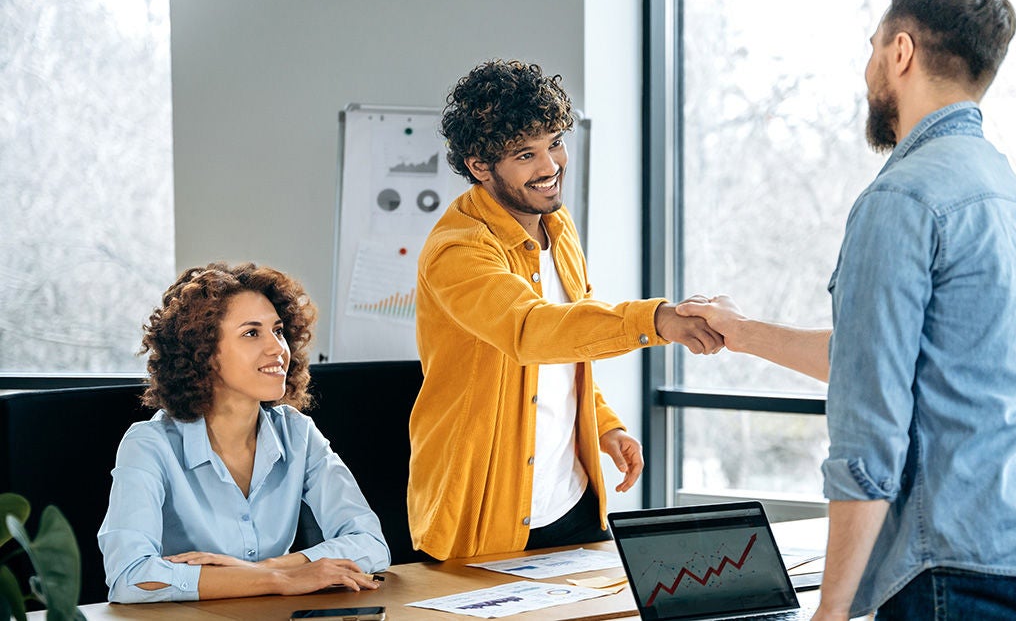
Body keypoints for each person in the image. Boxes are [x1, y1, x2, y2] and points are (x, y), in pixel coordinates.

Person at [678, 0, 1016, 621]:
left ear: (901, 51)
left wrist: (830, 610)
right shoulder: (1012, 197)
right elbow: (891, 357)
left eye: (871, 52)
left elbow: (868, 431)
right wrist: (742, 334)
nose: (867, 74)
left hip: (968, 575)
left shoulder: (900, 199)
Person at [409, 59, 722, 560]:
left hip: (570, 501)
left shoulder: (557, 226)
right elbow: (534, 331)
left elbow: (572, 340)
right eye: (525, 154)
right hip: (481, 511)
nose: (550, 165)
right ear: (479, 166)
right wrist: (656, 320)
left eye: (554, 142)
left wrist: (603, 423)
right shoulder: (458, 251)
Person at [98, 263, 390, 603]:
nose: (277, 349)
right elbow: (129, 577)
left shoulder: (298, 433)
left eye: (278, 331)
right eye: (252, 333)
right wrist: (280, 580)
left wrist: (266, 568)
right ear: (203, 353)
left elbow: (371, 542)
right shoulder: (149, 445)